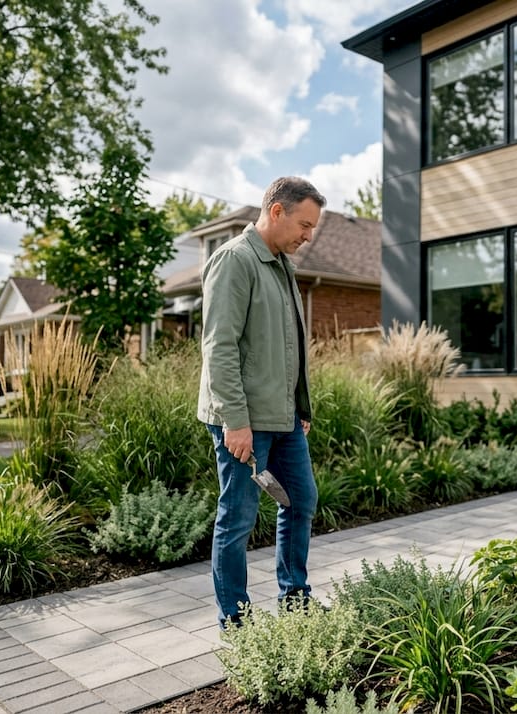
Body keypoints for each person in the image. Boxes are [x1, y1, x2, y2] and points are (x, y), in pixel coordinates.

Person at [198, 176, 325, 628]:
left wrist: (301, 409)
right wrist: (235, 421)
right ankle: (234, 617)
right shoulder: (235, 260)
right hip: (243, 421)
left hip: (284, 418)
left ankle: (295, 597)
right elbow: (220, 347)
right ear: (276, 212)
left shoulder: (281, 265)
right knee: (238, 517)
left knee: (301, 501)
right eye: (304, 225)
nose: (307, 236)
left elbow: (291, 342)